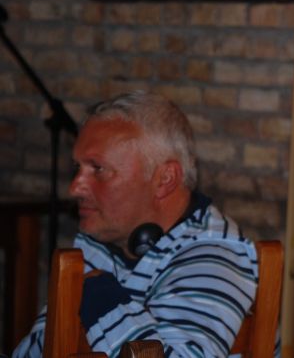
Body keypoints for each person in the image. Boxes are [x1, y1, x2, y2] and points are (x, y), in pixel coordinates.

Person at [14, 91, 265, 358]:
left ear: (165, 179)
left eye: (98, 169)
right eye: (78, 168)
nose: (75, 187)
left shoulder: (215, 256)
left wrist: (96, 293)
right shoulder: (101, 240)